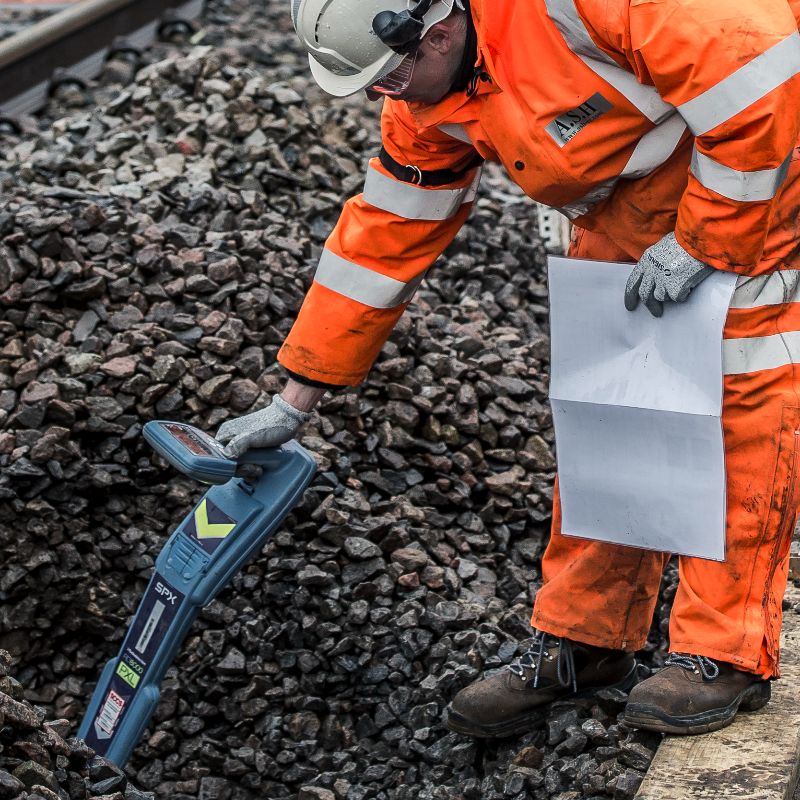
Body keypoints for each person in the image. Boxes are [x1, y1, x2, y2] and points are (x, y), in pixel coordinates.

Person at [216, 0, 800, 737]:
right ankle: (588, 642)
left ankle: (723, 654)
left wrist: (707, 239)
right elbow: (387, 232)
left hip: (763, 180)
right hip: (636, 213)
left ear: (437, 32)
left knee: (738, 400)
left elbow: (762, 78)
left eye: (389, 78)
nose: (380, 96)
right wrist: (295, 399)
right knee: (610, 408)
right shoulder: (428, 91)